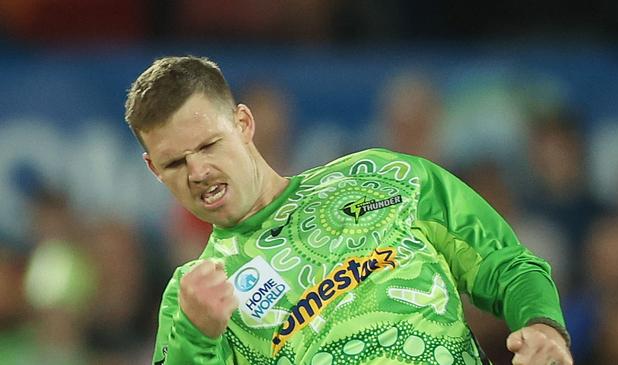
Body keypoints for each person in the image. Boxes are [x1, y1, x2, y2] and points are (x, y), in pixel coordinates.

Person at [124, 56, 573, 365]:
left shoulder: (384, 175)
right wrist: (198, 337)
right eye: (175, 162)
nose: (198, 171)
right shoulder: (194, 296)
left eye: (208, 145)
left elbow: (507, 264)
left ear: (243, 124)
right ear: (152, 169)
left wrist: (543, 327)